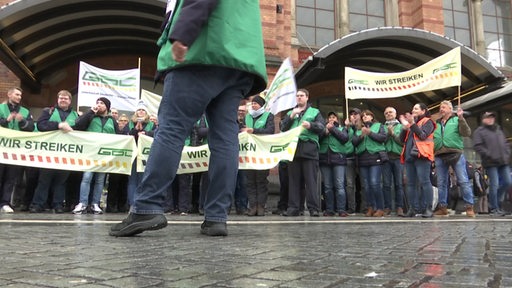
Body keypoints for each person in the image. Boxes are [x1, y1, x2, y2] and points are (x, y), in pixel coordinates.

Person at [110, 0, 267, 237]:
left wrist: (183, 34)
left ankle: (147, 206)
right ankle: (216, 217)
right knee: (225, 139)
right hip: (239, 62)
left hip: (202, 53)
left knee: (171, 129)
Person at [29, 90, 78, 213]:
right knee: (44, 180)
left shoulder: (76, 115)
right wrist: (58, 125)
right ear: (57, 99)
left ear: (70, 101)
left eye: (65, 98)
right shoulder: (48, 111)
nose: (63, 100)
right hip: (49, 153)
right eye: (61, 98)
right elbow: (41, 125)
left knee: (61, 182)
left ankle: (58, 205)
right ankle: (38, 204)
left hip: (67, 154)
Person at [280, 88, 325, 217]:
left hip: (309, 149)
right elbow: (283, 128)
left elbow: (321, 128)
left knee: (311, 181)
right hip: (293, 150)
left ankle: (313, 208)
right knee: (293, 181)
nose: (299, 97)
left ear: (307, 97)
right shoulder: (291, 112)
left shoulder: (315, 112)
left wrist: (311, 125)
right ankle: (293, 208)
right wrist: (292, 116)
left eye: (301, 95)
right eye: (297, 96)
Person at [73, 97, 119, 214]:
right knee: (87, 177)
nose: (99, 105)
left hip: (104, 156)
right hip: (90, 154)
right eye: (97, 102)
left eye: (102, 103)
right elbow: (78, 125)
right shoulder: (90, 116)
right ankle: (83, 203)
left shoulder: (112, 120)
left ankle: (95, 204)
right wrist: (90, 112)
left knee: (100, 180)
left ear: (107, 107)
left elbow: (118, 136)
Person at [432, 101, 475, 217]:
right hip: (440, 154)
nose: (441, 109)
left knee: (463, 180)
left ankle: (469, 206)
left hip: (455, 153)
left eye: (444, 107)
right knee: (441, 183)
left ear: (450, 109)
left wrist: (461, 118)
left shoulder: (456, 120)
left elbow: (466, 132)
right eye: (440, 107)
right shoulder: (436, 123)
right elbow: (433, 139)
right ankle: (443, 207)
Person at [0, 87, 35, 213]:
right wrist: (6, 120)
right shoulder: (0, 108)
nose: (19, 97)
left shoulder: (25, 111)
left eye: (20, 95)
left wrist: (22, 121)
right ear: (9, 94)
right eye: (17, 94)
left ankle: (5, 202)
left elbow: (31, 127)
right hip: (1, 148)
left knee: (11, 178)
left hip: (15, 151)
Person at [399, 103, 436, 218]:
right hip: (410, 156)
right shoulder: (412, 124)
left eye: (416, 108)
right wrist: (405, 129)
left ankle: (428, 208)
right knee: (410, 184)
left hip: (422, 156)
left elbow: (423, 135)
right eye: (413, 108)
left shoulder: (428, 122)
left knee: (425, 182)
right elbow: (401, 140)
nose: (413, 110)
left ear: (423, 111)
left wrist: (412, 124)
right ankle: (412, 209)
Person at [473, 111, 511, 216]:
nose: (491, 119)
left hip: (503, 161)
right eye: (488, 117)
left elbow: (505, 143)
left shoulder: (498, 130)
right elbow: (477, 146)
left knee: (508, 182)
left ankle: (496, 202)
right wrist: (488, 154)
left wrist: (507, 153)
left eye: (492, 117)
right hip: (490, 162)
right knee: (494, 184)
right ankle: (494, 208)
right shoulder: (479, 131)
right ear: (483, 119)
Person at [241, 95, 275, 216]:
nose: (254, 105)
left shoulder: (268, 116)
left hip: (262, 154)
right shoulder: (247, 117)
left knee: (261, 181)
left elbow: (270, 131)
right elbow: (241, 131)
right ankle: (253, 207)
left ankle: (261, 207)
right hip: (249, 154)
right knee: (250, 181)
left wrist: (254, 131)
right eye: (252, 103)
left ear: (261, 105)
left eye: (256, 103)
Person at [352, 110, 387, 217]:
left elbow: (383, 138)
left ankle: (380, 208)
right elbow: (354, 142)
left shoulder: (379, 126)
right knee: (366, 186)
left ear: (372, 117)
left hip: (375, 157)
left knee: (375, 183)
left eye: (367, 115)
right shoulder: (358, 129)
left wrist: (370, 133)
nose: (365, 117)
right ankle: (370, 207)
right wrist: (361, 136)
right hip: (363, 159)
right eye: (363, 116)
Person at [319, 112, 350, 217]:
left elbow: (344, 138)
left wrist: (332, 129)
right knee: (327, 187)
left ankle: (341, 209)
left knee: (340, 186)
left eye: (334, 117)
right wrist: (325, 132)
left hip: (339, 160)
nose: (331, 119)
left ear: (337, 119)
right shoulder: (323, 129)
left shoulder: (342, 129)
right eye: (330, 117)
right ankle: (329, 209)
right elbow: (318, 139)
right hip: (324, 160)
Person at [127, 101, 155, 208]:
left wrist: (146, 133)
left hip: (146, 156)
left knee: (143, 179)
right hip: (133, 154)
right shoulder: (131, 123)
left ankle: (142, 203)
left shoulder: (151, 124)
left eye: (143, 110)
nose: (141, 112)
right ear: (136, 112)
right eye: (139, 110)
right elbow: (127, 134)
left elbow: (156, 133)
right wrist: (135, 129)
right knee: (133, 179)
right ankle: (132, 204)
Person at [382, 107, 405, 216]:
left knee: (399, 184)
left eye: (390, 112)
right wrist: (388, 134)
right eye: (386, 113)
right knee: (386, 184)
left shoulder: (401, 127)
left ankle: (399, 207)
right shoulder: (382, 127)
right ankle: (387, 207)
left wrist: (393, 134)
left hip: (397, 157)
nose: (388, 114)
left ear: (395, 114)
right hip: (386, 158)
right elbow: (380, 142)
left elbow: (402, 142)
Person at [106, 113, 130, 213]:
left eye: (125, 121)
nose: (123, 123)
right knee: (113, 183)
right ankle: (111, 205)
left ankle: (122, 205)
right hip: (114, 161)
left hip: (125, 161)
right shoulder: (115, 130)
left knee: (124, 184)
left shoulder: (128, 131)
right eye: (121, 120)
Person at [345, 108, 362, 213]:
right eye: (351, 114)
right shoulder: (347, 128)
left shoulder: (363, 126)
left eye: (356, 114)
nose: (353, 116)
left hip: (362, 158)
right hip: (350, 158)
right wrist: (347, 128)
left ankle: (365, 207)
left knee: (364, 184)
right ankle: (351, 207)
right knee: (350, 185)